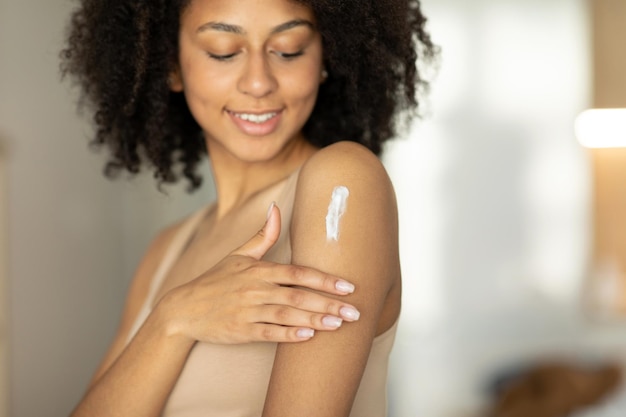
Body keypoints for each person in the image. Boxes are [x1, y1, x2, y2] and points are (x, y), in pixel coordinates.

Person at [61, 0, 436, 415]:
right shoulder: (167, 249)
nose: (258, 83)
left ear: (326, 55)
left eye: (289, 49)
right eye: (223, 51)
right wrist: (173, 318)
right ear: (171, 65)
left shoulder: (343, 183)